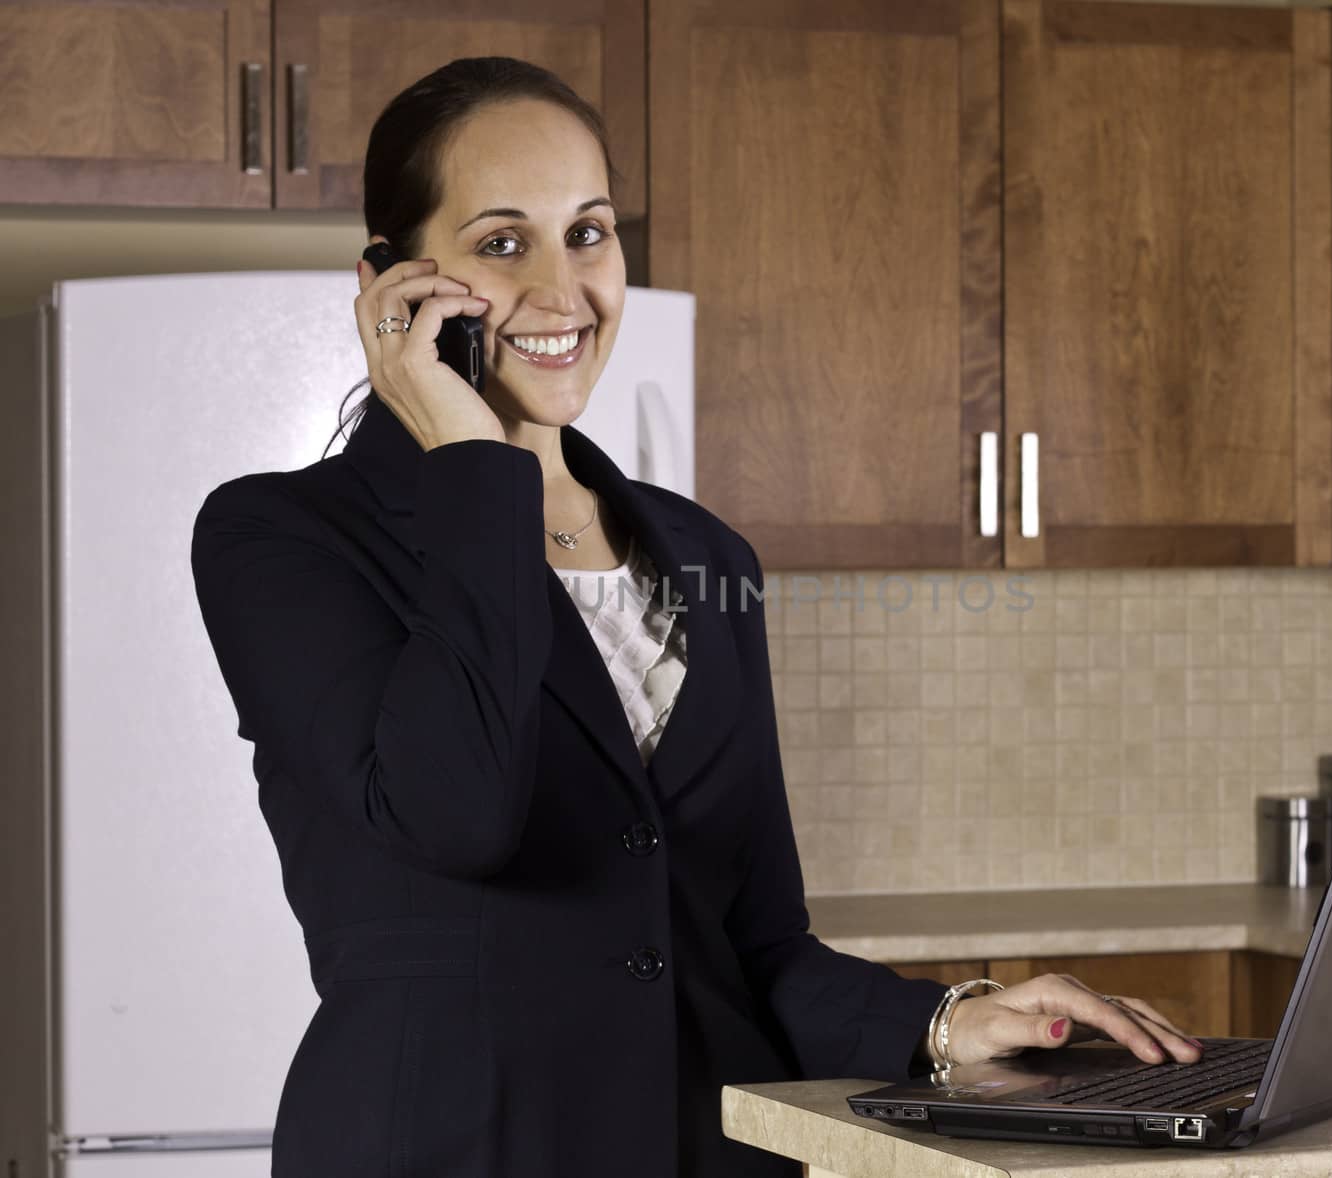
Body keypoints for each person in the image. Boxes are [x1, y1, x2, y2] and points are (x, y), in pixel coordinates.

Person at [189, 56, 1203, 1178]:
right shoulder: (279, 539)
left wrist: (947, 1019)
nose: (564, 289)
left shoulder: (708, 555)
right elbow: (456, 816)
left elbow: (748, 940)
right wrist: (476, 463)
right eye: (501, 242)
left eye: (589, 232)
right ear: (392, 283)